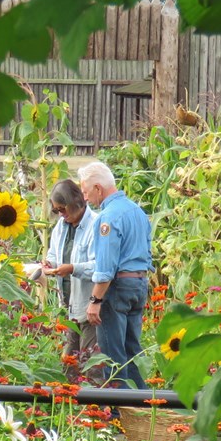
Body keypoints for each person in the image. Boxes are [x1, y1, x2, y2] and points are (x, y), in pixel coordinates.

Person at [78, 161, 153, 389]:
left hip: (117, 288)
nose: (86, 199)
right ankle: (143, 411)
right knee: (133, 353)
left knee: (113, 358)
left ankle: (117, 417)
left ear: (98, 188)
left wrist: (95, 301)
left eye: (86, 192)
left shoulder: (107, 218)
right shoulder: (137, 211)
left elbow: (106, 267)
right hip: (139, 284)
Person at [41, 179, 99, 368]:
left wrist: (72, 268)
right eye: (57, 210)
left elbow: (100, 266)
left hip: (90, 305)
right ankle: (68, 398)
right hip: (68, 306)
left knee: (90, 364)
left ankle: (93, 398)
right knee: (69, 364)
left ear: (76, 202)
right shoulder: (61, 226)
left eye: (63, 209)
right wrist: (49, 265)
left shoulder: (96, 225)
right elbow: (53, 254)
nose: (61, 214)